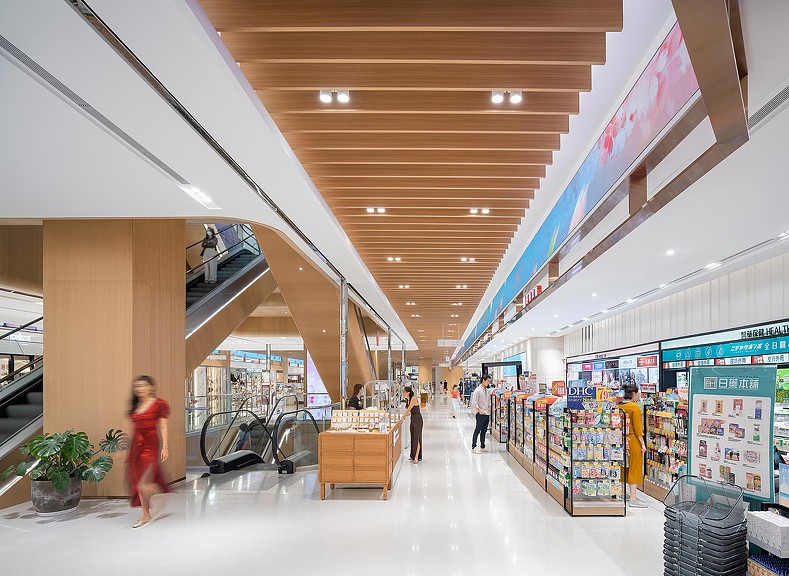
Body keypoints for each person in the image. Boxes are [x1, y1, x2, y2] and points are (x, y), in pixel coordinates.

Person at [128, 375, 170, 528]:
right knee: (137, 480)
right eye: (137, 386)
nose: (140, 389)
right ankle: (145, 515)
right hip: (135, 445)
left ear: (151, 387)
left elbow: (163, 426)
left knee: (142, 483)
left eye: (143, 385)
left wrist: (165, 447)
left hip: (150, 444)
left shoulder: (159, 404)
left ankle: (158, 488)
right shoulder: (135, 405)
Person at [620, 383, 647, 508]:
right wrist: (642, 443)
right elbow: (637, 428)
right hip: (632, 440)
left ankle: (621, 493)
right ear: (634, 394)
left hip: (620, 440)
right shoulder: (634, 408)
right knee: (635, 466)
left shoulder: (619, 406)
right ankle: (633, 498)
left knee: (622, 467)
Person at [471, 374, 492, 454]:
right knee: (477, 430)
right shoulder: (478, 390)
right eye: (488, 381)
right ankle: (474, 446)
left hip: (486, 413)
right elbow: (474, 402)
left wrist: (489, 407)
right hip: (480, 414)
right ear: (483, 380)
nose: (488, 383)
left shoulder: (486, 390)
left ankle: (482, 446)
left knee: (484, 430)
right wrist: (479, 410)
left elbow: (488, 401)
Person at [403, 386, 423, 463]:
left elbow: (408, 410)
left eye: (404, 392)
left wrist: (403, 417)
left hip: (418, 420)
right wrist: (404, 416)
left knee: (417, 438)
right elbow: (411, 412)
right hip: (413, 419)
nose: (403, 394)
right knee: (413, 437)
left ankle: (416, 457)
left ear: (408, 392)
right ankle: (412, 455)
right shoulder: (408, 400)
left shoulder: (413, 399)